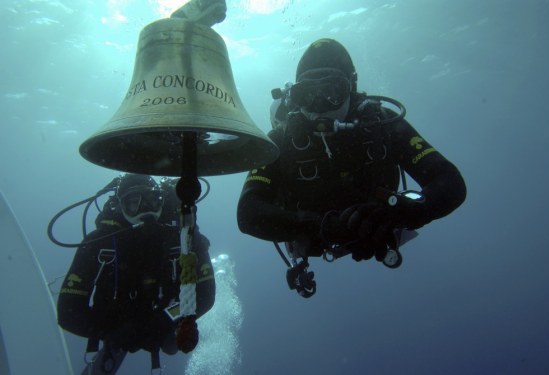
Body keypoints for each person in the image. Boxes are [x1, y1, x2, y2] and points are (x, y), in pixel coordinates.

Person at [237, 39, 467, 296]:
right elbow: (248, 213)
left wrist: (400, 214)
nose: (320, 106)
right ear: (295, 97)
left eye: (332, 91)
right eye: (307, 95)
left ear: (351, 88)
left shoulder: (384, 126)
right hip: (313, 235)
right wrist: (319, 225)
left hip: (382, 223)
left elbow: (450, 182)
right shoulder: (280, 141)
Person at [57, 174, 215, 374]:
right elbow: (67, 311)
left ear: (162, 201)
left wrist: (166, 318)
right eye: (134, 202)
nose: (145, 210)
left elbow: (205, 294)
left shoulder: (184, 237)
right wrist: (114, 331)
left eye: (152, 201)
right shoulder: (99, 243)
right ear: (120, 207)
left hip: (164, 315)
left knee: (172, 345)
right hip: (115, 322)